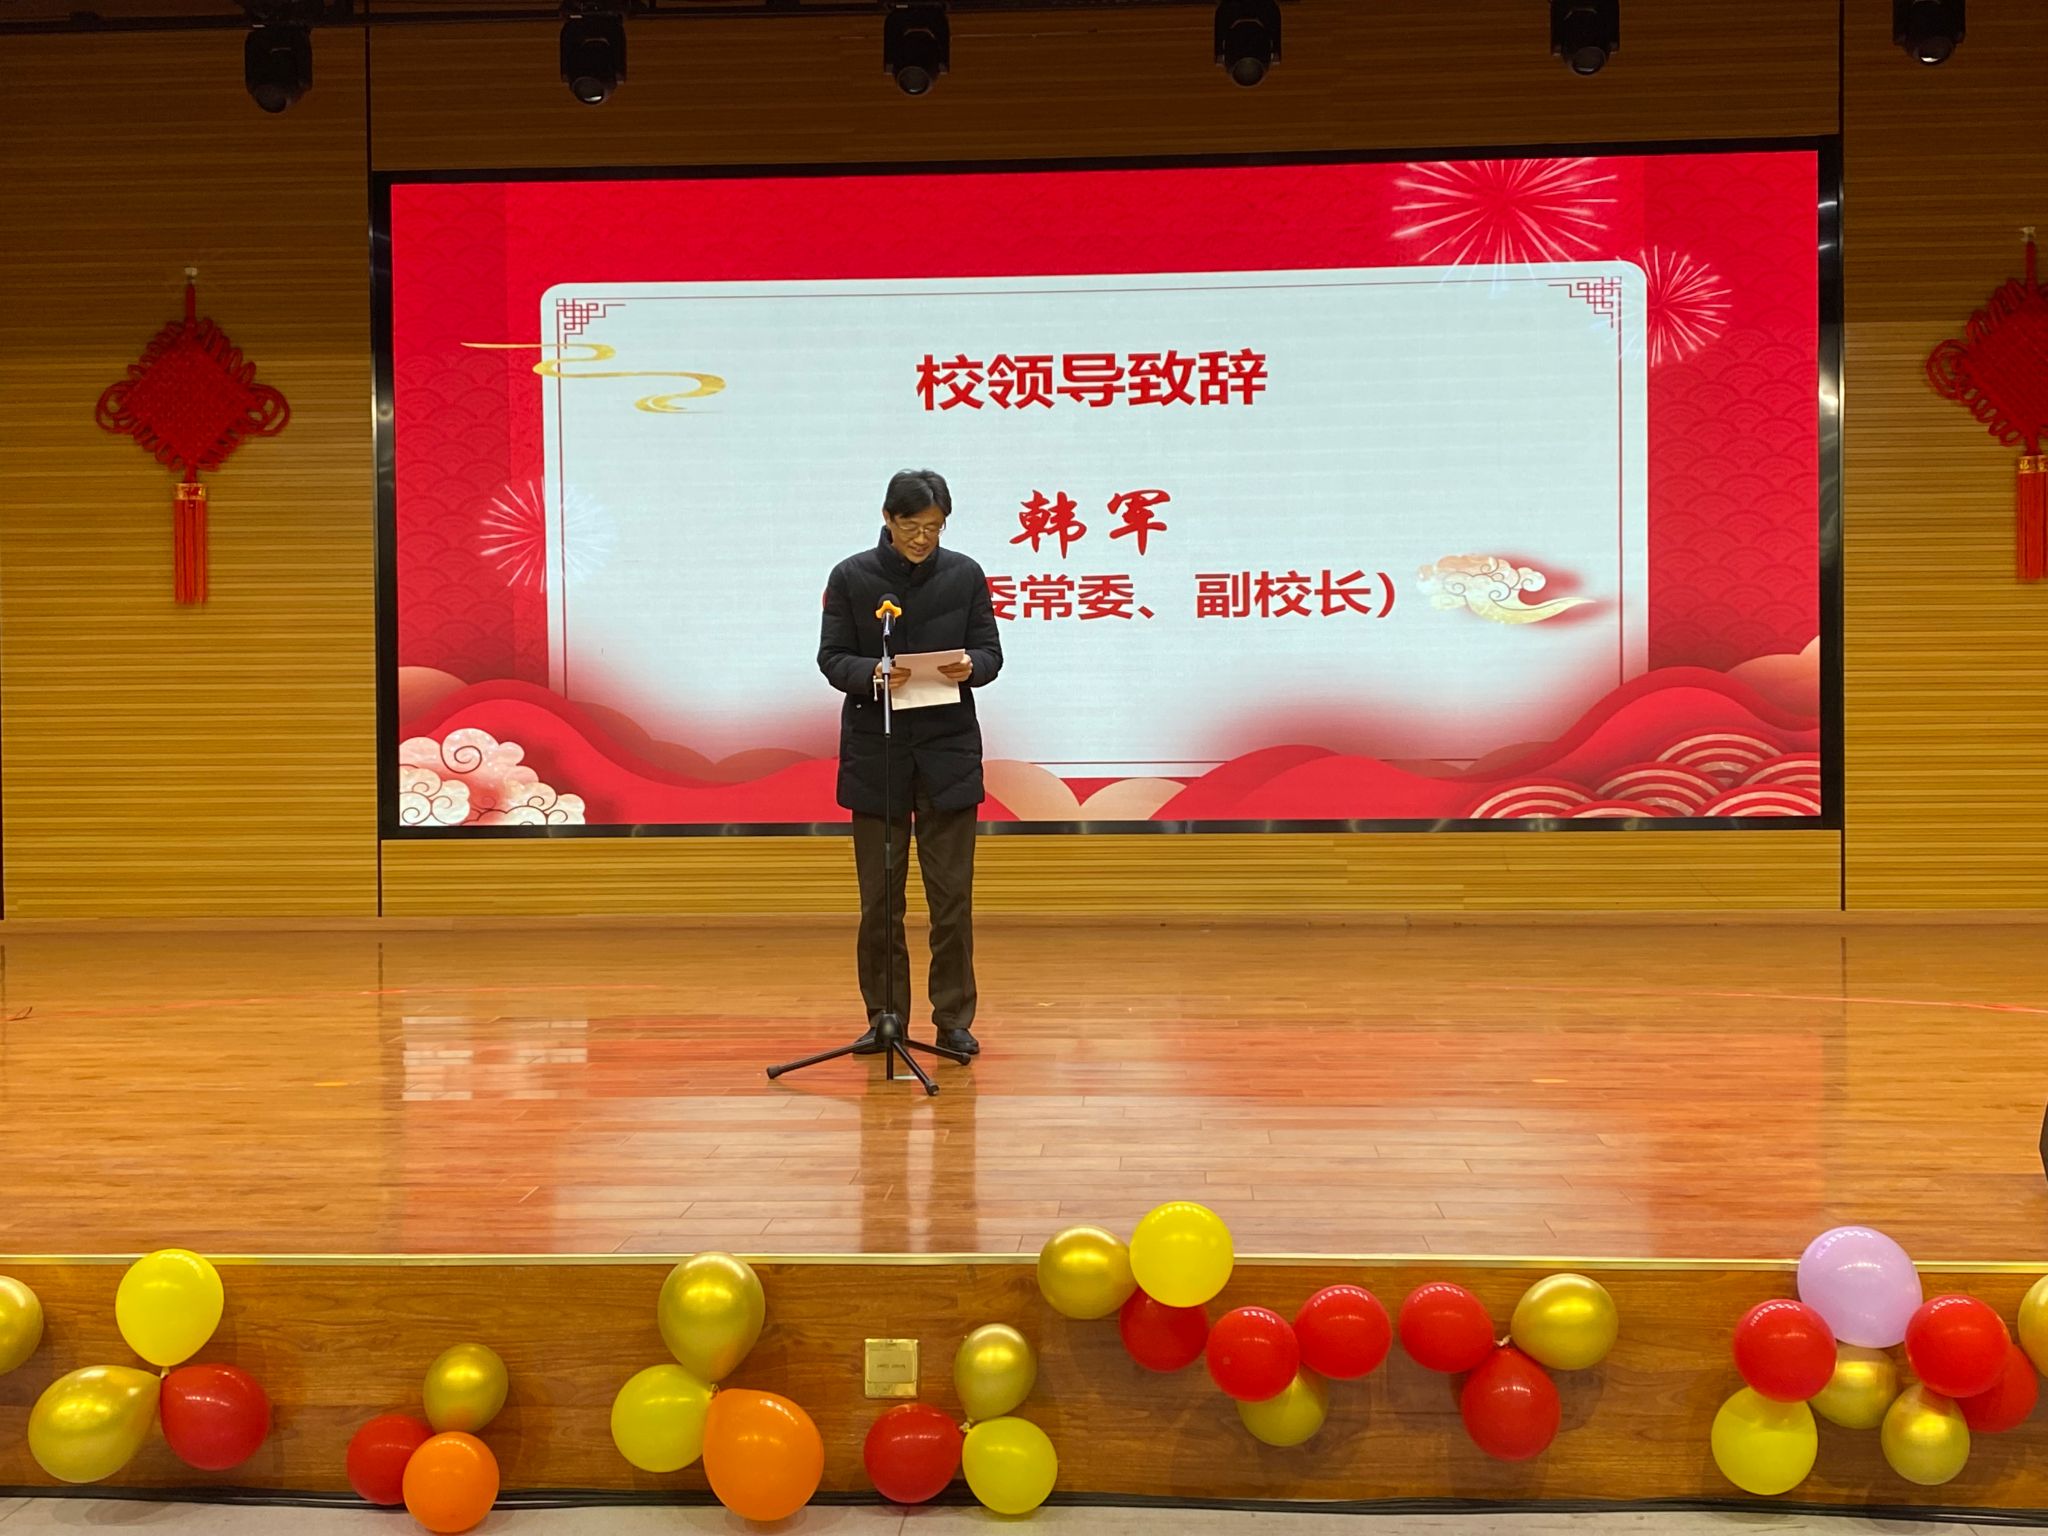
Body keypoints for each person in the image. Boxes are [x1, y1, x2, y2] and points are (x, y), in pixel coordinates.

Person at [818, 469, 1003, 1060]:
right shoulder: (852, 577)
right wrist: (871, 673)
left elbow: (991, 653)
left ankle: (953, 1019)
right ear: (888, 518)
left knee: (951, 901)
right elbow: (832, 657)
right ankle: (885, 1017)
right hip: (879, 754)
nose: (923, 538)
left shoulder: (965, 574)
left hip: (948, 755)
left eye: (934, 527)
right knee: (881, 903)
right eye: (912, 526)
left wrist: (971, 666)